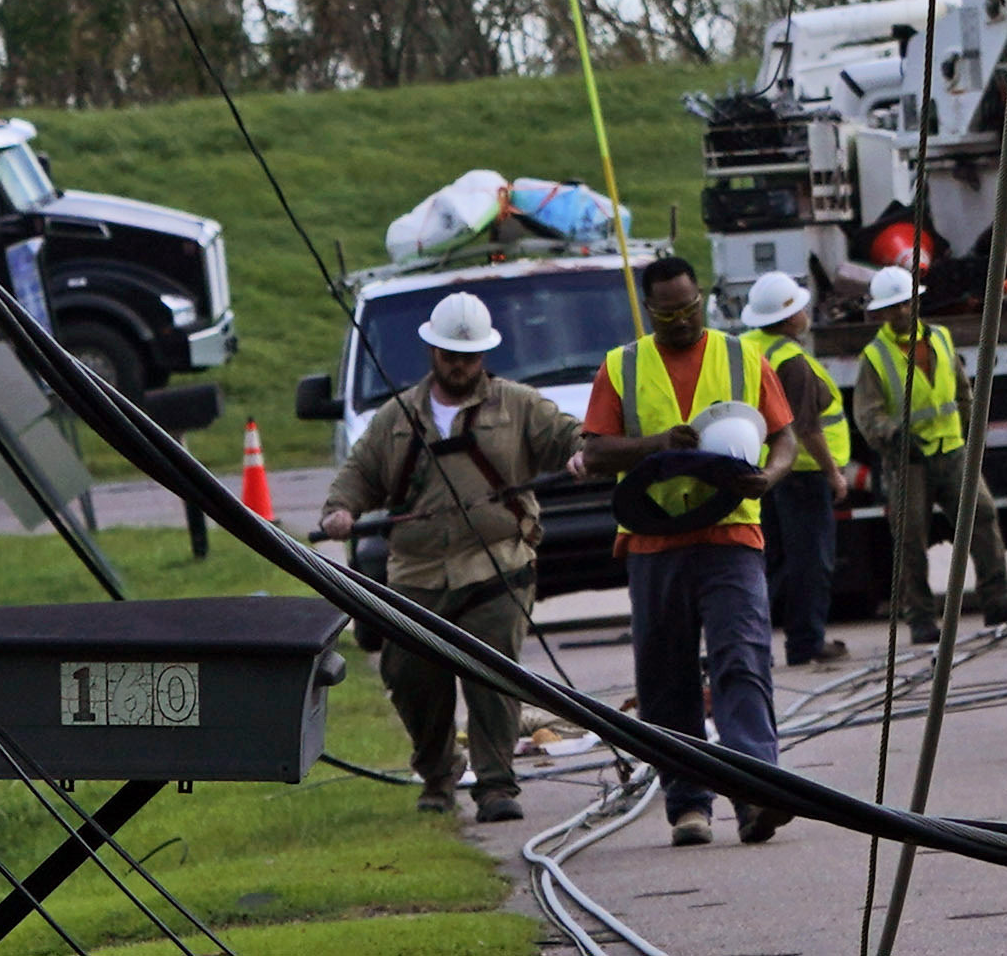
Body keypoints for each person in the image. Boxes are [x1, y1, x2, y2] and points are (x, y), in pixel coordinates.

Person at [308, 292, 571, 826]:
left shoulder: (519, 405)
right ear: (431, 351)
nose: (459, 365)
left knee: (493, 673)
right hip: (416, 576)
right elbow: (359, 474)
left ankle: (496, 785)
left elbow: (567, 437)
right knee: (410, 677)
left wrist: (585, 450)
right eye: (450, 354)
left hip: (496, 565)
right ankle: (437, 773)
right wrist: (341, 510)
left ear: (484, 356)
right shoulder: (395, 418)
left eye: (468, 356)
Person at [574, 250, 807, 844]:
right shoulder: (621, 366)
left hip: (731, 535)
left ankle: (757, 794)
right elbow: (596, 452)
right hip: (654, 541)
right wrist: (655, 444)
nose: (683, 320)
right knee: (666, 676)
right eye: (669, 312)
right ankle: (688, 803)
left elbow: (784, 436)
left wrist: (773, 476)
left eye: (691, 307)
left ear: (701, 297)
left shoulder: (741, 355)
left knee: (742, 660)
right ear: (648, 310)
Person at [845, 265, 991, 635]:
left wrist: (972, 433)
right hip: (908, 460)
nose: (900, 312)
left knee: (982, 518)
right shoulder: (875, 357)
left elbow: (962, 391)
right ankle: (922, 618)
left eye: (905, 304)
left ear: (916, 302)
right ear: (879, 312)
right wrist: (893, 436)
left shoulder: (940, 338)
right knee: (910, 540)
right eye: (891, 307)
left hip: (953, 450)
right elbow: (867, 413)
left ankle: (998, 597)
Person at [734, 270, 855, 669]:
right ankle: (806, 642)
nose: (806, 313)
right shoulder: (792, 361)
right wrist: (834, 473)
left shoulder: (745, 348)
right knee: (810, 562)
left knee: (771, 563)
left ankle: (750, 644)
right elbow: (806, 429)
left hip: (761, 470)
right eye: (800, 307)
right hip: (801, 474)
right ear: (789, 318)